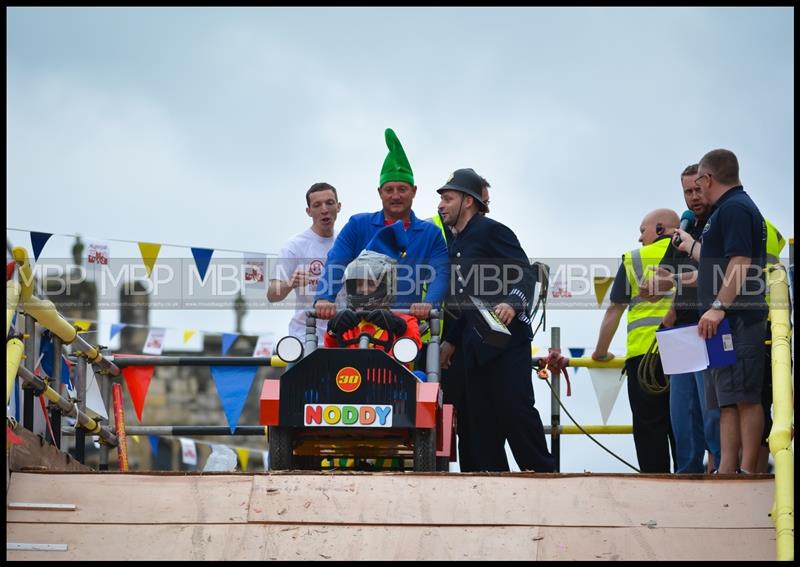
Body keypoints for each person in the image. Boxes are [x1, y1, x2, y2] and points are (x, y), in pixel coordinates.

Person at [437, 167, 553, 473]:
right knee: (477, 426)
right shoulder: (456, 244)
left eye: (448, 198)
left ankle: (545, 476)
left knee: (515, 411)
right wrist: (449, 340)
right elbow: (463, 300)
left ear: (468, 201)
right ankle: (485, 488)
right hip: (473, 348)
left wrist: (513, 302)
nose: (441, 205)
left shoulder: (493, 231)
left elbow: (524, 272)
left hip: (506, 342)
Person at [671, 149, 767, 475]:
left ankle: (749, 471)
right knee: (725, 400)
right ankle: (726, 470)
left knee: (745, 397)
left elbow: (740, 263)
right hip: (721, 322)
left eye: (699, 183)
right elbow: (717, 267)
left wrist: (717, 307)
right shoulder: (724, 211)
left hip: (737, 318)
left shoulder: (737, 209)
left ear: (708, 179)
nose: (697, 191)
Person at [314, 128, 449, 322]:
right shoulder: (358, 225)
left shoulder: (431, 234)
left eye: (402, 189)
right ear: (380, 192)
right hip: (359, 326)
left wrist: (430, 303)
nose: (395, 196)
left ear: (414, 191)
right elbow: (336, 261)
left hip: (406, 330)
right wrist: (324, 298)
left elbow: (441, 273)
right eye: (389, 190)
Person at [644, 165, 721, 473]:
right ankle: (687, 471)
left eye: (696, 190)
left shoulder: (720, 224)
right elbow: (663, 274)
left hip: (712, 325)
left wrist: (672, 280)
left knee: (712, 408)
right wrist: (652, 284)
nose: (692, 198)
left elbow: (715, 273)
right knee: (681, 412)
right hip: (681, 330)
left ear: (709, 185)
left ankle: (720, 467)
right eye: (687, 192)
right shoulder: (682, 230)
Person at [592, 208, 679, 473]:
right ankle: (689, 480)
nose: (640, 238)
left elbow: (614, 311)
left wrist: (600, 352)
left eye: (643, 230)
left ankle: (656, 485)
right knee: (682, 423)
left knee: (649, 426)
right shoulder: (689, 255)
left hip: (644, 357)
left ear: (660, 228)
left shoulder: (633, 259)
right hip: (684, 353)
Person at [324, 221, 421, 360]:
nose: (363, 289)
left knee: (421, 377)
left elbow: (412, 349)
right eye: (359, 283)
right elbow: (330, 357)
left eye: (370, 283)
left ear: (386, 286)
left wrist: (399, 328)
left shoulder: (405, 320)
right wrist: (333, 331)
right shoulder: (347, 322)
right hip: (349, 379)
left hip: (391, 379)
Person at [268, 182, 342, 344]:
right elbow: (272, 295)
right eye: (317, 205)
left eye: (329, 203)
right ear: (308, 211)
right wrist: (290, 283)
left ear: (338, 206)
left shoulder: (347, 243)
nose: (324, 209)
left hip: (342, 336)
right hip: (304, 336)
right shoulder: (294, 246)